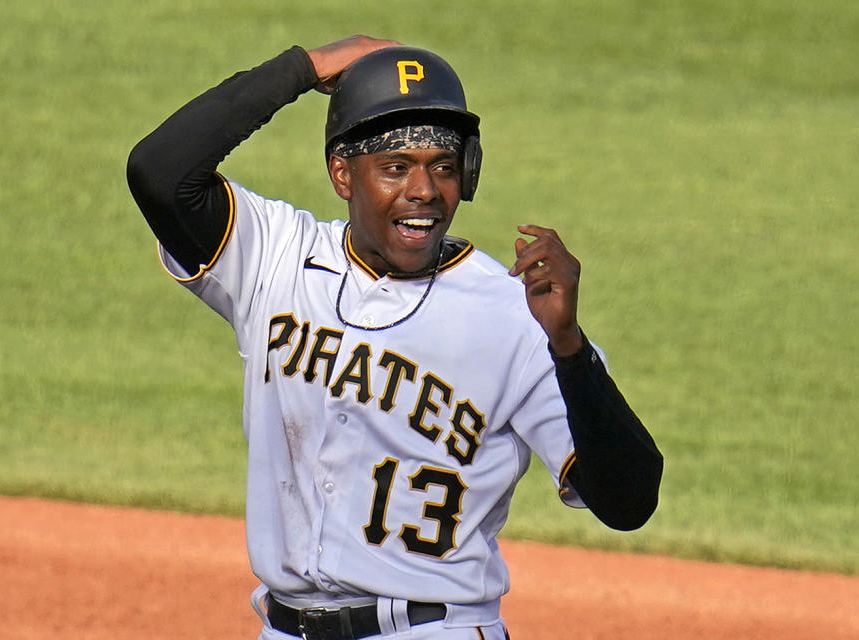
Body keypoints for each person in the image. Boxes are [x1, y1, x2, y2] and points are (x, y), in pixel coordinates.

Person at [127, 35, 662, 640]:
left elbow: (628, 501)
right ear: (342, 173)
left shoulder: (516, 313)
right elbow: (160, 172)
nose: (425, 190)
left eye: (443, 165)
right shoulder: (275, 256)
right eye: (395, 166)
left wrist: (569, 347)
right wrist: (302, 69)